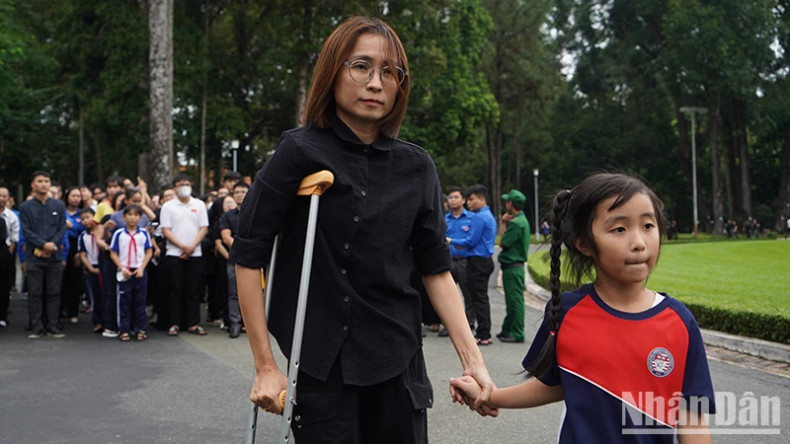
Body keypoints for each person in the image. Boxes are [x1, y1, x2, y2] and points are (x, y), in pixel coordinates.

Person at [230, 16, 495, 442]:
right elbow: (249, 254)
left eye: (390, 72)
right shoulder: (298, 151)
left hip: (398, 360)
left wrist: (473, 361)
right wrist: (265, 366)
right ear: (333, 72)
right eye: (361, 66)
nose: (376, 82)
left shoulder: (417, 166)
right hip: (320, 365)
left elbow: (436, 269)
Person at [450, 173, 716, 443]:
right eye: (619, 229)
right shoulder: (567, 312)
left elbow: (692, 420)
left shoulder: (679, 322)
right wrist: (491, 396)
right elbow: (558, 384)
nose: (639, 242)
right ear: (583, 243)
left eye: (648, 225)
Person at [19, 171, 67, 338]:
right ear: (33, 185)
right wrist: (42, 245)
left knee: (54, 292)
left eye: (46, 181)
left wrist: (52, 245)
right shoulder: (25, 207)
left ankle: (53, 325)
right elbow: (26, 231)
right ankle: (36, 326)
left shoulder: (58, 206)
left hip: (54, 255)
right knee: (35, 292)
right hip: (34, 256)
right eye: (39, 181)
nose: (44, 184)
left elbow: (61, 228)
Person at [447, 184, 497, 345]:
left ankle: (484, 333)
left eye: (471, 199)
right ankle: (483, 332)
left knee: (478, 298)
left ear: (481, 199)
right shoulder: (487, 215)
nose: (469, 203)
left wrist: (451, 241)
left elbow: (470, 241)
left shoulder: (480, 217)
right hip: (482, 260)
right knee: (479, 297)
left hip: (478, 261)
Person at [160, 174, 209, 336]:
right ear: (175, 188)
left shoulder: (199, 204)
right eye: (181, 184)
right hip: (174, 253)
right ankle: (174, 323)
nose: (185, 187)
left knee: (193, 289)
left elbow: (203, 227)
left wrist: (192, 246)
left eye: (187, 184)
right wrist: (182, 246)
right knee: (175, 289)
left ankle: (193, 323)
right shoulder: (168, 206)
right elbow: (166, 230)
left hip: (195, 253)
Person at [109, 205, 153, 342]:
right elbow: (113, 253)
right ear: (124, 217)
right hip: (125, 271)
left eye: (135, 215)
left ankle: (140, 329)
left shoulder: (143, 233)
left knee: (140, 301)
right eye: (129, 214)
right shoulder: (119, 233)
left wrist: (141, 268)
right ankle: (124, 329)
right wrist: (122, 268)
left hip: (139, 270)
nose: (132, 218)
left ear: (140, 218)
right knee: (124, 302)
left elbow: (148, 252)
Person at [496, 189, 530, 343]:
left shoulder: (516, 224)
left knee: (515, 301)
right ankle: (507, 329)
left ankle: (517, 332)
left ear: (510, 203)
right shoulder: (520, 220)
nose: (506, 204)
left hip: (513, 267)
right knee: (512, 300)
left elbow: (503, 243)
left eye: (507, 201)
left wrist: (503, 223)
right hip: (514, 267)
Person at [441, 186, 474, 337]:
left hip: (464, 261)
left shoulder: (471, 218)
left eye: (456, 197)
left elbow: (472, 240)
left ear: (463, 200)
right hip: (447, 260)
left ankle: (469, 324)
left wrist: (453, 241)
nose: (452, 200)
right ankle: (449, 326)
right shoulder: (444, 219)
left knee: (468, 293)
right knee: (447, 296)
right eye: (450, 197)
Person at [219, 182, 247, 338]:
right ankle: (235, 323)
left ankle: (250, 324)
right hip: (235, 258)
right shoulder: (227, 215)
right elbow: (225, 237)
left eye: (243, 191)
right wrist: (242, 248)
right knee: (234, 293)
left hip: (255, 259)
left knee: (255, 293)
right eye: (236, 192)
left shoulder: (256, 213)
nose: (240, 194)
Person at [61, 186, 85, 324]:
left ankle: (73, 312)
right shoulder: (61, 212)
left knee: (75, 281)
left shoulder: (82, 213)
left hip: (77, 246)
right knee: (61, 280)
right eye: (73, 196)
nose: (76, 199)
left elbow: (85, 229)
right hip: (62, 245)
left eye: (78, 196)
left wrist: (73, 227)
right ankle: (60, 310)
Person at [77, 208, 104, 333]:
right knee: (95, 295)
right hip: (92, 266)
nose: (86, 221)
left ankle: (108, 320)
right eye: (82, 219)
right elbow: (82, 255)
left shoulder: (102, 231)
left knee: (106, 294)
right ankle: (97, 321)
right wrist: (90, 268)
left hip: (104, 266)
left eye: (88, 217)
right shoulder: (83, 236)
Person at [0, 186, 20, 328]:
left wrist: (8, 253)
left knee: (4, 286)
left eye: (4, 196)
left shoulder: (12, 216)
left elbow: (14, 237)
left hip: (4, 252)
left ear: (8, 199)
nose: (1, 198)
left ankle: (2, 315)